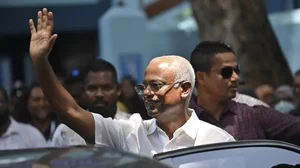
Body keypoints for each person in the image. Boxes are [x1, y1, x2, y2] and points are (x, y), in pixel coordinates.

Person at [28, 8, 234, 156]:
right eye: (143, 86)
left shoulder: (218, 142)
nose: (146, 93)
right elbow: (70, 111)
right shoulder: (131, 133)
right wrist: (41, 62)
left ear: (185, 89)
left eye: (156, 85)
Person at [189, 41, 300, 145]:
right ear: (201, 77)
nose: (236, 78)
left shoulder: (254, 115)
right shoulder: (180, 121)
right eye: (226, 72)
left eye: (236, 70)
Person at [51, 59, 131, 147]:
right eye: (92, 88)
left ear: (118, 90)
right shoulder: (65, 131)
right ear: (83, 91)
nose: (99, 94)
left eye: (107, 88)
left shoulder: (132, 127)